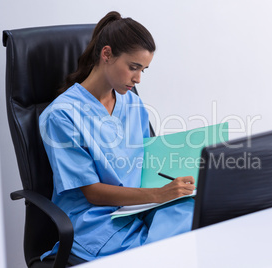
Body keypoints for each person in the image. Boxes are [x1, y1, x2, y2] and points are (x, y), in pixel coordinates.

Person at [39, 11, 195, 261]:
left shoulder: (132, 104)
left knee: (198, 218)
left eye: (144, 70)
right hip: (98, 220)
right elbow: (94, 193)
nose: (138, 79)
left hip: (138, 206)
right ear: (107, 54)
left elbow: (145, 162)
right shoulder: (61, 116)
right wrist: (159, 195)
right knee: (164, 254)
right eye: (133, 68)